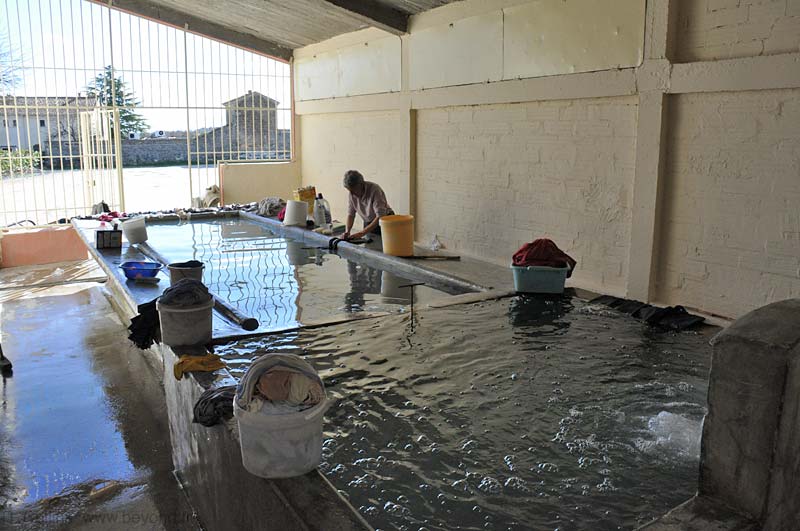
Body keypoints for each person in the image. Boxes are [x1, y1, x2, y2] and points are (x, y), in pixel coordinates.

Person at [342, 170, 394, 240]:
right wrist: (347, 231)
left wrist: (362, 233)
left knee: (386, 246)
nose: (352, 193)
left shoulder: (375, 189)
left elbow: (380, 216)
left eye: (354, 190)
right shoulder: (352, 193)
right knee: (369, 246)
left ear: (361, 184)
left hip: (385, 220)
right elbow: (351, 214)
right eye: (350, 190)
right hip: (369, 222)